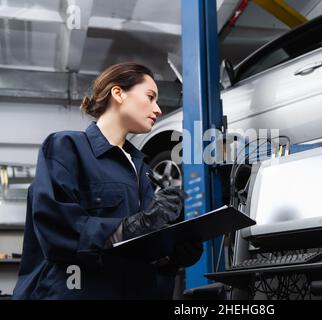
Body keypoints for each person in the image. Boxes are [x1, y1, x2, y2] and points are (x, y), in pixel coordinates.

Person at [12, 62, 203, 300]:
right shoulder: (67, 148)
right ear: (118, 93)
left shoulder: (142, 170)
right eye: (150, 97)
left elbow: (138, 254)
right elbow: (56, 228)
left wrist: (171, 257)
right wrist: (132, 227)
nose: (158, 109)